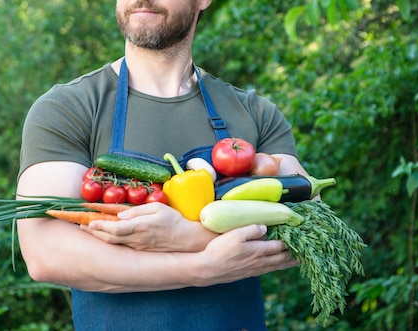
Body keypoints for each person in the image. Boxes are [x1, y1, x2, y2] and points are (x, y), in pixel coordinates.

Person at [16, 0, 312, 329]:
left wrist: (186, 236)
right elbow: (47, 254)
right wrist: (201, 267)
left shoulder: (254, 113)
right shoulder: (68, 109)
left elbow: (310, 227)